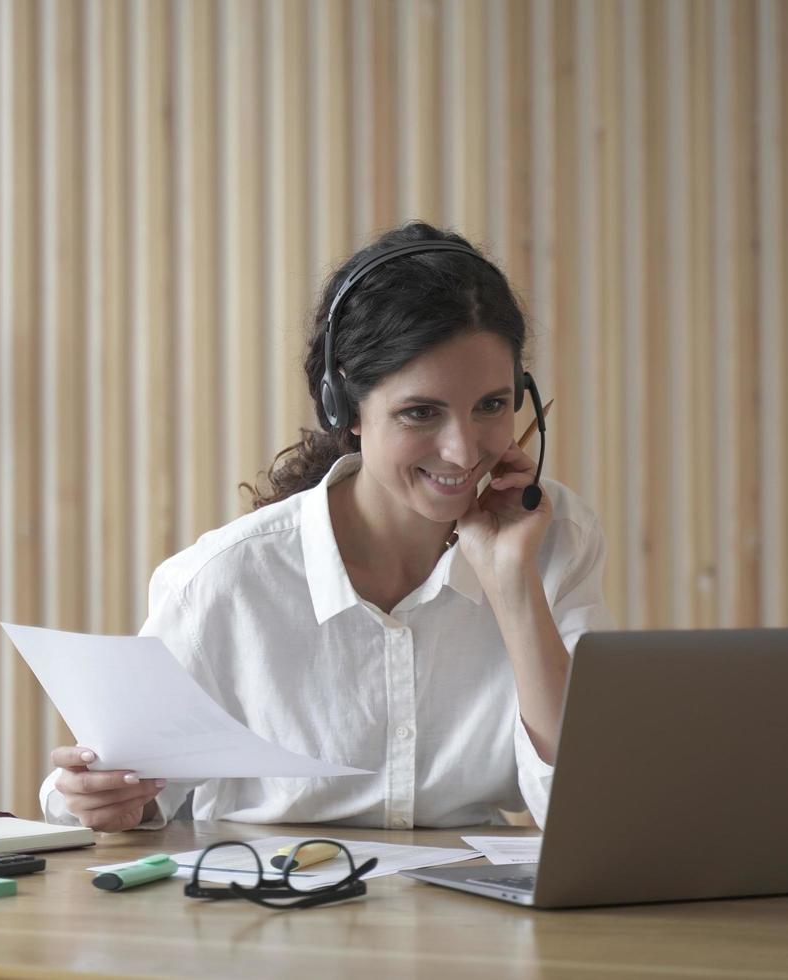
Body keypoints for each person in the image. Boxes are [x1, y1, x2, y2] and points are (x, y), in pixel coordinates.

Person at [40, 221, 613, 833]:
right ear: (345, 408)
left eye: (491, 406)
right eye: (421, 412)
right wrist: (108, 799)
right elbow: (106, 795)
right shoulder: (226, 580)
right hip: (267, 915)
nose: (462, 450)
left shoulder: (556, 537)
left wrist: (513, 585)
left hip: (475, 920)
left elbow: (589, 810)